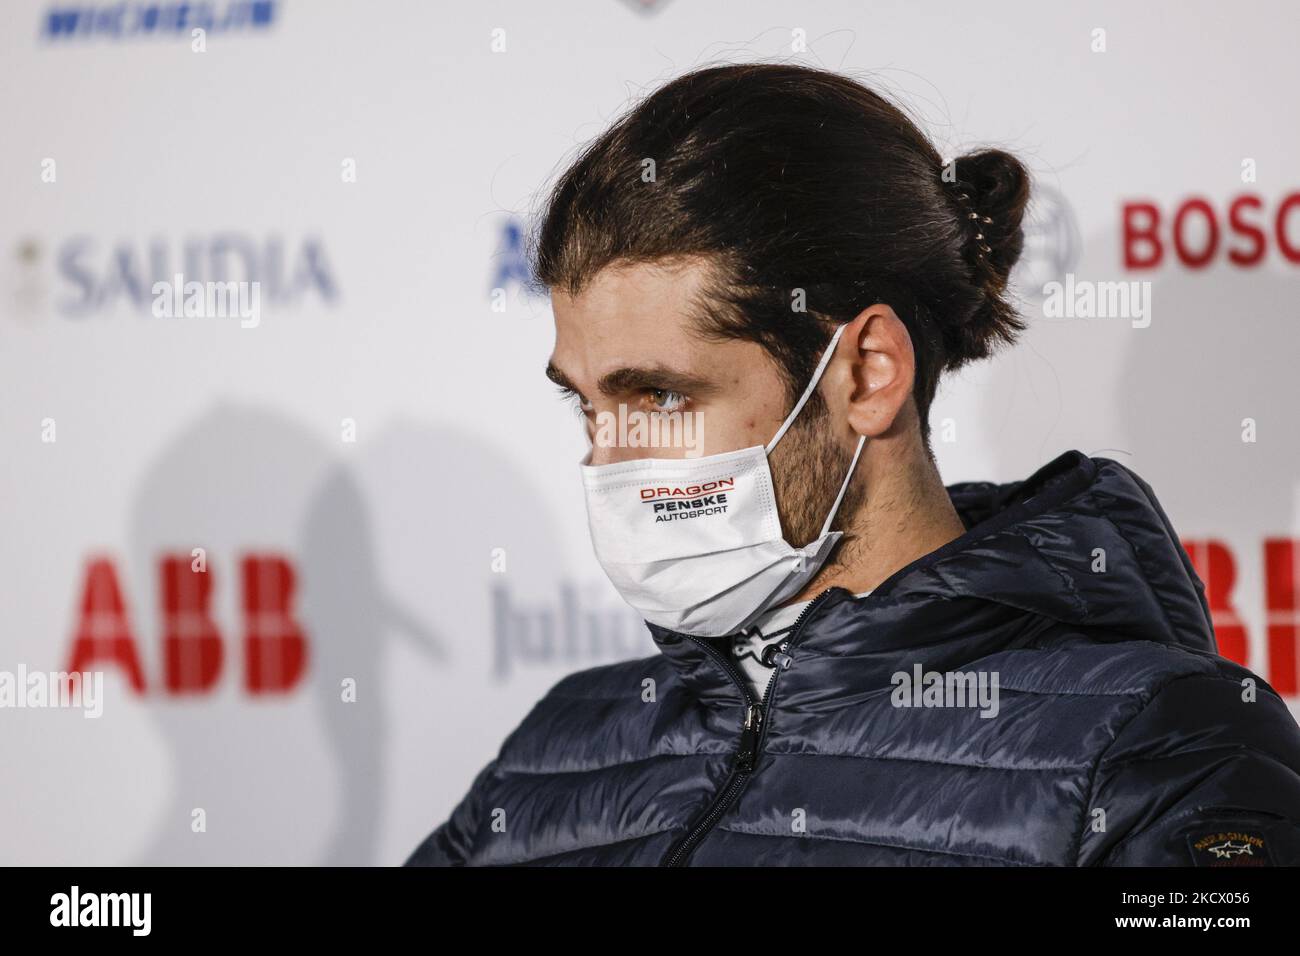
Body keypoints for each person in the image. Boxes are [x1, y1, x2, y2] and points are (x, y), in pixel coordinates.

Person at [406, 63, 1300, 866]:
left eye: (663, 399)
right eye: (588, 403)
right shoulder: (559, 751)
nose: (609, 457)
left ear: (868, 374)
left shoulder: (1160, 752)